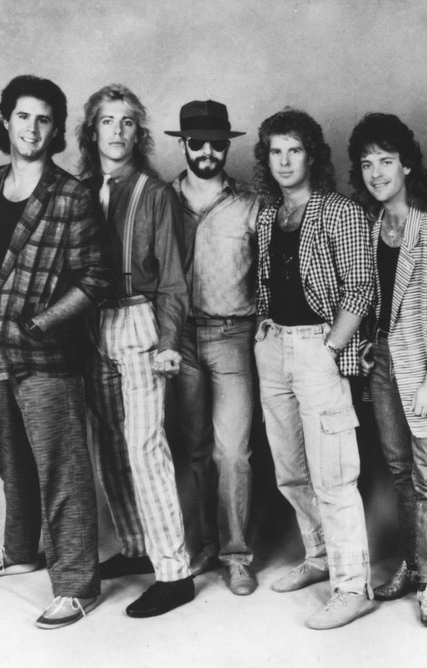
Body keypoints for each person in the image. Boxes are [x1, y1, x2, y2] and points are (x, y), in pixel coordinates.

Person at [0, 74, 113, 629]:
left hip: (48, 357)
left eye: (44, 119)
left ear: (55, 130)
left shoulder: (71, 195)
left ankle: (77, 585)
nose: (32, 128)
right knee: (11, 459)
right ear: (6, 121)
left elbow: (95, 279)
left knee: (61, 468)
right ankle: (22, 549)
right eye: (23, 116)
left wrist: (41, 324)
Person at [254, 108, 376, 629]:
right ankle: (320, 555)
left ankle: (352, 587)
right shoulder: (269, 215)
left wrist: (331, 346)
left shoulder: (339, 211)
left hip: (317, 349)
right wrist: (265, 328)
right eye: (275, 152)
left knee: (334, 475)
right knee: (290, 469)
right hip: (273, 346)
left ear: (312, 156)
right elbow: (267, 281)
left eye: (294, 150)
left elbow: (361, 287)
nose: (284, 161)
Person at [348, 113, 427, 627]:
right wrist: (367, 345)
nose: (376, 172)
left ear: (407, 165)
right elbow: (370, 296)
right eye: (367, 163)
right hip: (384, 365)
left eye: (386, 160)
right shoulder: (370, 225)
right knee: (401, 473)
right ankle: (412, 564)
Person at [77, 84, 195, 616]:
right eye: (108, 121)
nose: (117, 131)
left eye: (127, 122)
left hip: (137, 318)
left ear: (138, 133)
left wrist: (169, 342)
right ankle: (135, 546)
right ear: (92, 131)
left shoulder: (154, 192)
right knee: (107, 444)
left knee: (145, 446)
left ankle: (174, 572)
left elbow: (172, 279)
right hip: (90, 323)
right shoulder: (80, 190)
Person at [167, 100, 260, 595]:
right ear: (183, 144)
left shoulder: (250, 204)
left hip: (232, 337)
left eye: (217, 144)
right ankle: (205, 544)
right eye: (197, 143)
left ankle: (236, 556)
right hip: (179, 339)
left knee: (234, 453)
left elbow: (269, 272)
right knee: (195, 450)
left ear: (228, 146)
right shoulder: (161, 201)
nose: (207, 152)